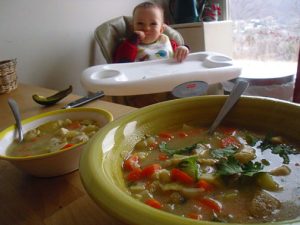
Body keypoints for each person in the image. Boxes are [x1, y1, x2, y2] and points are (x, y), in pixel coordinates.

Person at [113, 1, 189, 63]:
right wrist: (133, 39)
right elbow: (121, 62)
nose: (146, 28)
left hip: (169, 78)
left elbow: (181, 56)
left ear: (161, 29)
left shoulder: (169, 43)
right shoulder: (128, 45)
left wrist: (183, 48)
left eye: (153, 24)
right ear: (133, 27)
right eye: (140, 23)